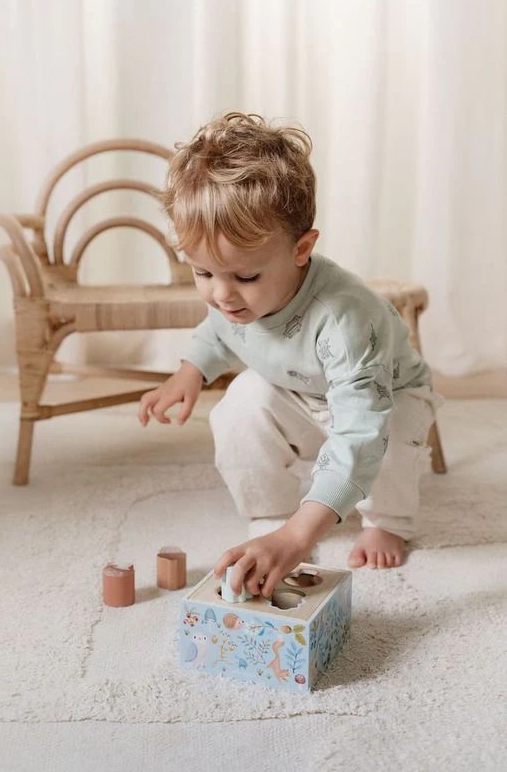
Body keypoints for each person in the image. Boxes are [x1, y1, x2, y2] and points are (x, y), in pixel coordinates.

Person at [138, 111, 443, 600]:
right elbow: (218, 330)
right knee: (239, 403)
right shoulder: (230, 298)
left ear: (302, 249)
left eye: (245, 277)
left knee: (389, 438)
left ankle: (388, 521)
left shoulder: (343, 319)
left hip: (382, 398)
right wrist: (189, 372)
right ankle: (274, 513)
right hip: (301, 392)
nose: (221, 294)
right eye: (203, 273)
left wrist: (304, 537)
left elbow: (359, 432)